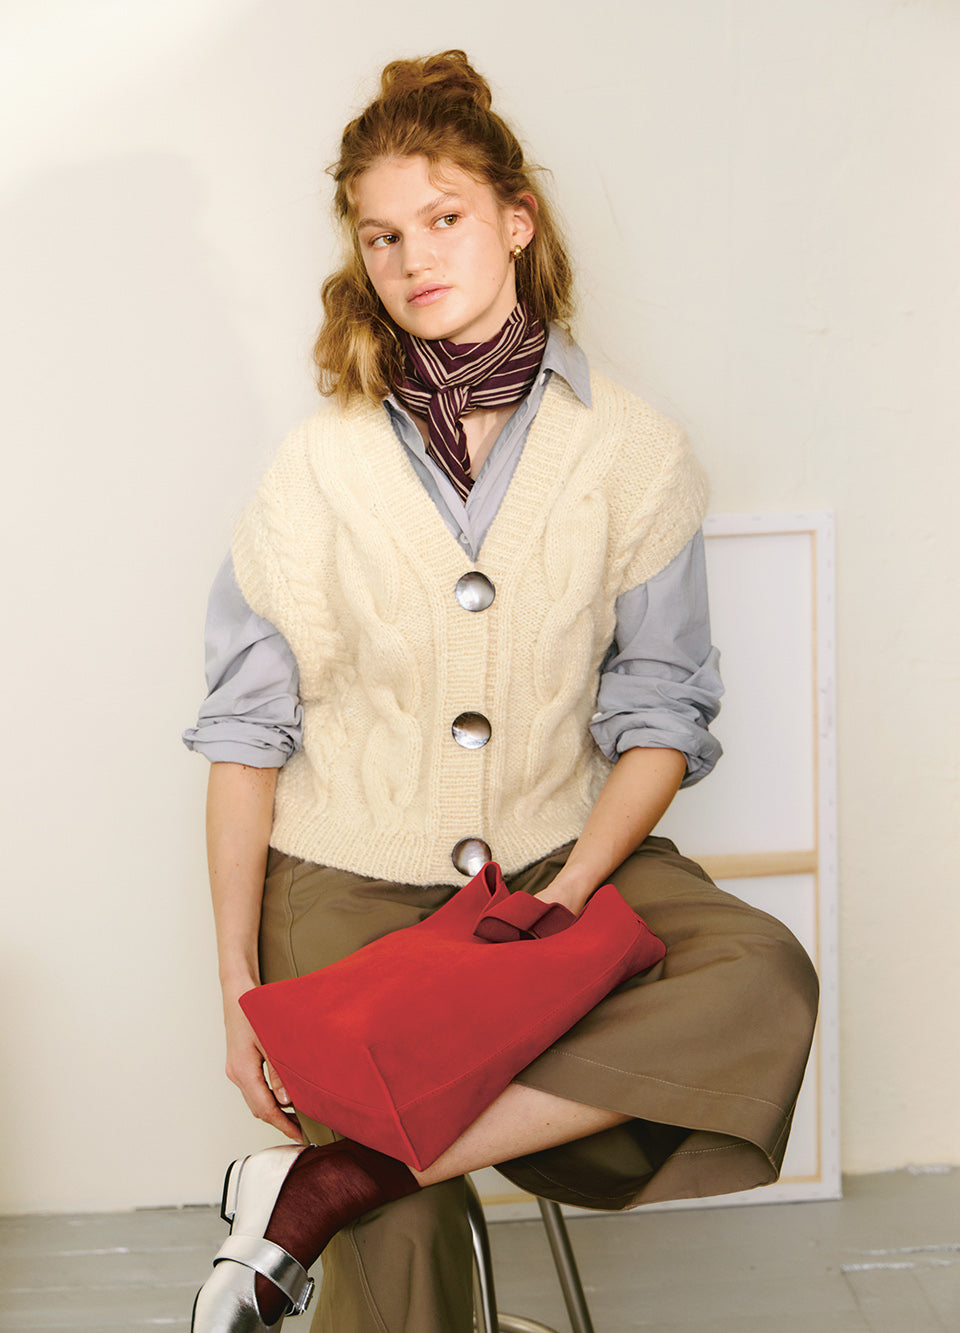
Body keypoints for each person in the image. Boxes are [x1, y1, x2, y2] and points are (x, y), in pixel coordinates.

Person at [183, 50, 819, 1333]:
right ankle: (367, 1183)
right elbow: (246, 740)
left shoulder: (632, 452)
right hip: (349, 883)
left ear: (516, 221)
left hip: (549, 851)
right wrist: (240, 990)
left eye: (444, 218)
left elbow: (661, 711)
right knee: (406, 1235)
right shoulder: (315, 469)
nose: (413, 258)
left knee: (760, 974)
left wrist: (569, 893)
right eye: (382, 237)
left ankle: (332, 1181)